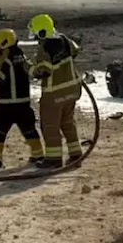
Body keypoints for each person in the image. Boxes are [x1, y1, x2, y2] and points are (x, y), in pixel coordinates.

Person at [0, 28, 44, 169]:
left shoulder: (6, 59)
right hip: (24, 104)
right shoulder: (20, 55)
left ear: (4, 43)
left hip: (8, 105)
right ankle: (38, 155)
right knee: (29, 130)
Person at [28, 13, 84, 169]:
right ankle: (76, 155)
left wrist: (28, 67)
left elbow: (42, 71)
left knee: (50, 126)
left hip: (54, 95)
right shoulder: (65, 40)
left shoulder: (44, 48)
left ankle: (53, 159)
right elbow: (76, 51)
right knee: (68, 124)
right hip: (72, 91)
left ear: (41, 32)